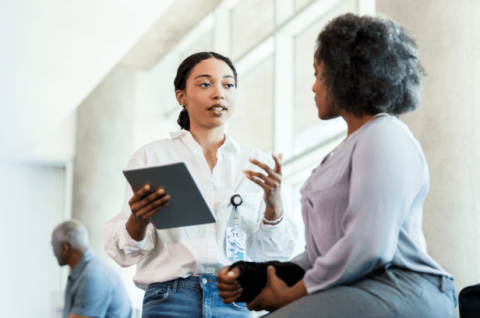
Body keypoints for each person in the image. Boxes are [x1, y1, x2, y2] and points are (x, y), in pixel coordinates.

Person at [217, 13, 457, 317]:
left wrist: (290, 296)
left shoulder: (384, 134)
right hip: (354, 287)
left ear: (345, 75)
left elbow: (367, 244)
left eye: (318, 74)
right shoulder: (343, 152)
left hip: (401, 287)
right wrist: (260, 275)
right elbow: (328, 254)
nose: (314, 87)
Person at [103, 52, 297, 318]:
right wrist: (138, 219)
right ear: (181, 96)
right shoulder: (153, 158)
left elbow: (274, 253)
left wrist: (274, 207)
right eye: (205, 84)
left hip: (235, 301)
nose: (219, 93)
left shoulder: (256, 164)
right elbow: (125, 254)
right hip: (170, 301)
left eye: (228, 85)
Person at [51, 219, 132, 318]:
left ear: (64, 247)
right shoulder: (81, 271)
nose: (53, 251)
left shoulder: (93, 277)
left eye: (53, 245)